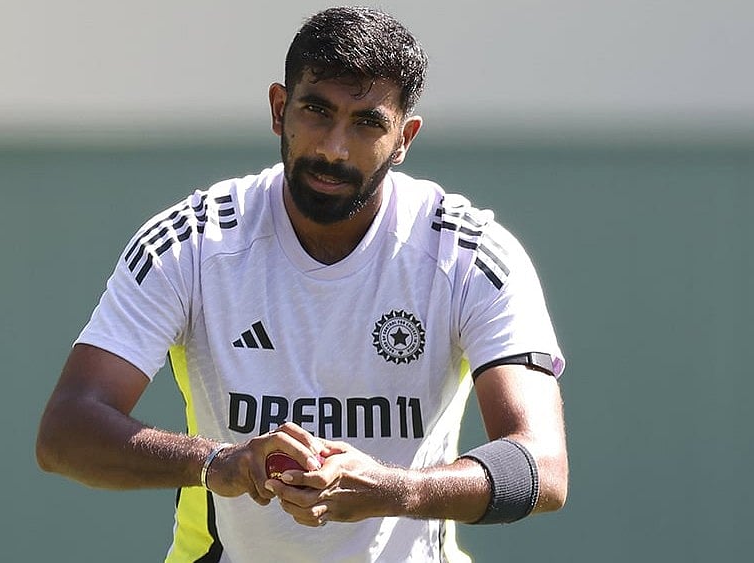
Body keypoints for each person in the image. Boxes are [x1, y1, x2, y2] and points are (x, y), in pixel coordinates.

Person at [36, 6, 568, 562]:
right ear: (278, 109)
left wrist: (395, 491)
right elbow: (65, 432)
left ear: (404, 138)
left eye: (367, 123)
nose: (334, 149)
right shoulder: (193, 243)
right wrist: (219, 463)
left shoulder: (467, 253)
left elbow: (543, 466)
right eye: (317, 111)